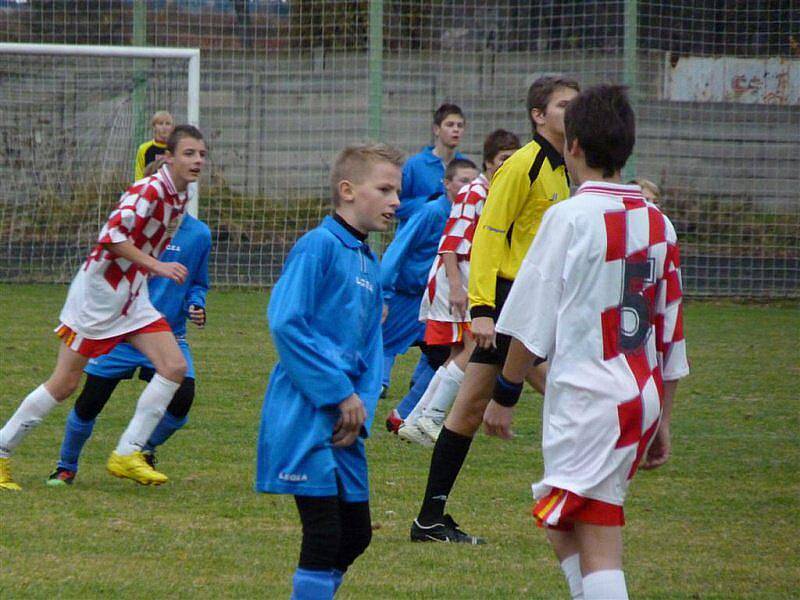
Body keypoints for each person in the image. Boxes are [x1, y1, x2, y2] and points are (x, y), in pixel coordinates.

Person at [486, 84, 689, 600]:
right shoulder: (657, 223)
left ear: (571, 145)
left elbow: (529, 319)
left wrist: (505, 394)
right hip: (634, 398)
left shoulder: (569, 218)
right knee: (561, 517)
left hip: (589, 399)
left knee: (597, 538)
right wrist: (662, 415)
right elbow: (669, 331)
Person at [409, 75, 580, 542]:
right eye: (563, 104)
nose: (574, 110)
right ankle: (577, 501)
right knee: (565, 394)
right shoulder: (522, 165)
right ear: (538, 116)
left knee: (467, 411)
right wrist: (482, 308)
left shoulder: (568, 167)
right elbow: (488, 236)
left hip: (535, 300)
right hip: (510, 301)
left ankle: (429, 519)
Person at [0, 125, 207, 491]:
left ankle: (128, 452)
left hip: (131, 295)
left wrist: (146, 271)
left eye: (202, 155)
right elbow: (110, 237)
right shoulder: (149, 190)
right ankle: (2, 451)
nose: (198, 161)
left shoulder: (179, 195)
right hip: (98, 297)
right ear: (170, 157)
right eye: (189, 153)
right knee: (63, 384)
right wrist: (156, 266)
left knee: (174, 367)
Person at [255, 143, 403, 600]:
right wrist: (338, 393)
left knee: (356, 533)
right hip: (306, 409)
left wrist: (360, 402)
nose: (396, 201)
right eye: (384, 189)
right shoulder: (318, 246)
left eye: (397, 191)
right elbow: (286, 321)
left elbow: (371, 344)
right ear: (347, 191)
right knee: (322, 534)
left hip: (346, 415)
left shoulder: (367, 259)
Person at [47, 212, 211, 486]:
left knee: (182, 400)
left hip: (167, 337)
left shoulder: (199, 234)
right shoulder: (136, 227)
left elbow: (198, 282)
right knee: (90, 402)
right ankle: (66, 467)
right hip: (120, 333)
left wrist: (196, 303)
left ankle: (139, 449)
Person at [398, 130, 521, 447]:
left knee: (457, 352)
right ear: (489, 162)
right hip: (460, 279)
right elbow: (451, 243)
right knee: (474, 348)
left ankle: (415, 420)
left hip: (466, 279)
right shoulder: (475, 193)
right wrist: (455, 286)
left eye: (513, 159)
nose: (508, 165)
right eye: (503, 160)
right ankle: (433, 416)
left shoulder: (493, 192)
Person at [380, 159, 479, 436]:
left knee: (443, 354)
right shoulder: (431, 213)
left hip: (440, 300)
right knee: (383, 347)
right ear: (446, 184)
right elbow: (396, 251)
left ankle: (406, 414)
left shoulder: (472, 214)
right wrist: (384, 294)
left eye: (472, 181)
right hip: (408, 297)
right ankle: (374, 394)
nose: (467, 187)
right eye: (462, 181)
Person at [383, 103, 468, 411]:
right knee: (391, 330)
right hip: (415, 259)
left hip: (443, 271)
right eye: (450, 124)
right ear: (436, 129)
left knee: (437, 337)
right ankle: (379, 380)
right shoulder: (417, 166)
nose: (456, 130)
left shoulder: (463, 169)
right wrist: (428, 203)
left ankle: (418, 388)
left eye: (460, 125)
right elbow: (396, 205)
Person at [135, 110, 175, 181]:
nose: (164, 127)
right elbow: (139, 175)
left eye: (168, 124)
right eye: (160, 123)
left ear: (172, 127)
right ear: (154, 126)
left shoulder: (175, 149)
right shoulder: (144, 148)